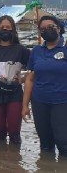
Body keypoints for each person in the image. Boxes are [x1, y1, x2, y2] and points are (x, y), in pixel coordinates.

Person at [0, 15, 29, 144]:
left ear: (13, 30)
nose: (5, 29)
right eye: (2, 27)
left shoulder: (21, 50)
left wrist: (21, 79)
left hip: (15, 94)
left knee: (14, 132)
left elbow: (33, 71)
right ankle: (0, 161)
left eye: (8, 27)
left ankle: (15, 162)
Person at [23, 15, 67, 155]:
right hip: (40, 102)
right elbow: (30, 79)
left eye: (50, 27)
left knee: (63, 141)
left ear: (59, 28)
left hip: (62, 102)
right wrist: (25, 106)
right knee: (45, 143)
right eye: (43, 29)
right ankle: (45, 167)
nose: (47, 30)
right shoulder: (36, 51)